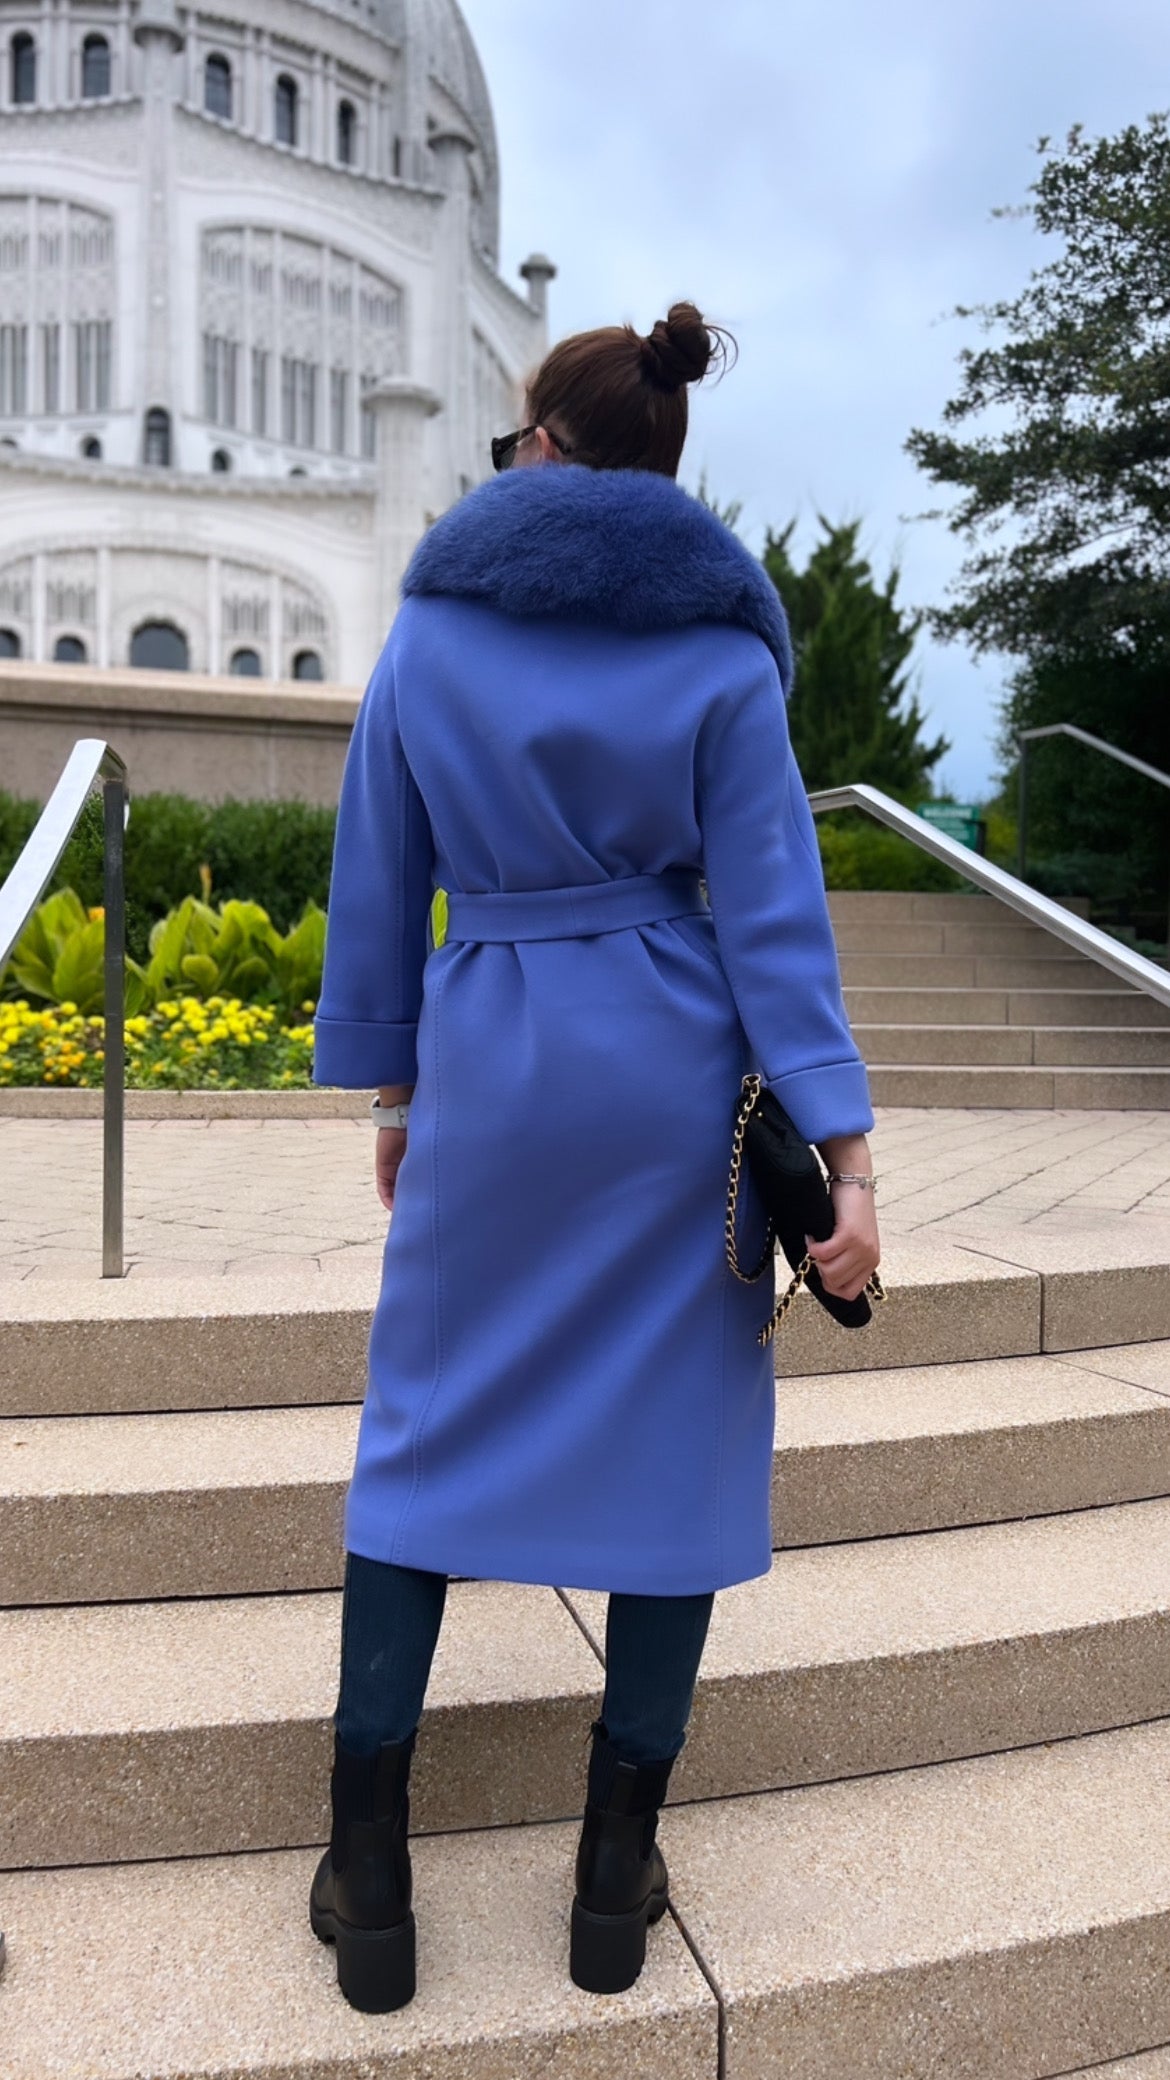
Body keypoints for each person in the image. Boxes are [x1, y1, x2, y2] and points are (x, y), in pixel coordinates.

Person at [310, 301, 881, 2013]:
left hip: (491, 1059)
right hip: (668, 1077)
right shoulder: (719, 652)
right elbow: (774, 917)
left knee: (422, 1425)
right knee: (677, 1446)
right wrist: (844, 1160)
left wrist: (397, 1098)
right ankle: (611, 1883)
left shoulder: (432, 631)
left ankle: (372, 1875)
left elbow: (376, 873)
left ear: (541, 447)